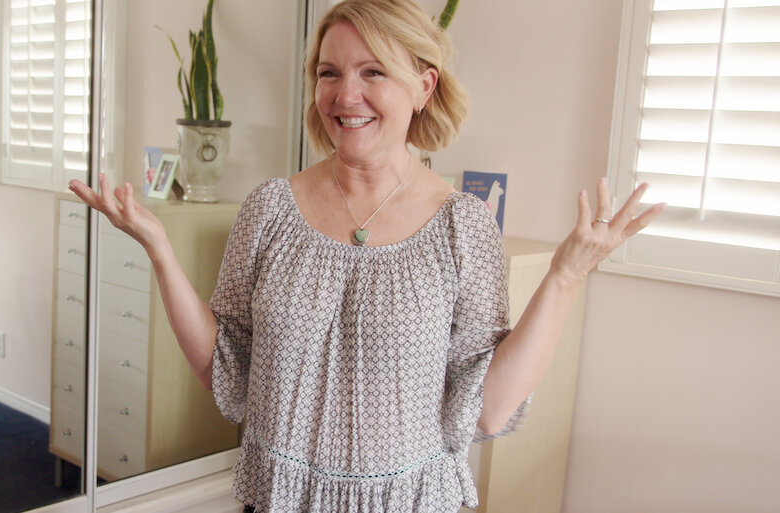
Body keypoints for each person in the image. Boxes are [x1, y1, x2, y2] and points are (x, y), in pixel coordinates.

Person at [68, 1, 665, 511]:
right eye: (329, 73)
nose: (345, 95)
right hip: (280, 500)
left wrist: (565, 275)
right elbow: (222, 367)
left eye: (373, 71)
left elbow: (487, 410)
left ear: (424, 86)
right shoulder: (269, 210)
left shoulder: (462, 227)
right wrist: (160, 249)